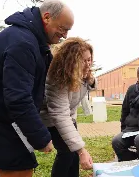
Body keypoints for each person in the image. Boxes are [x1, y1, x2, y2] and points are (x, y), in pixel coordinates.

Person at [0, 0, 74, 177]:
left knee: (1, 165)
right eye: (63, 28)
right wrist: (41, 138)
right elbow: (19, 98)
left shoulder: (30, 41)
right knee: (19, 165)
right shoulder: (23, 44)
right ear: (46, 18)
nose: (65, 35)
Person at [40, 37, 96, 177]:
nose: (88, 63)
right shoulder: (57, 78)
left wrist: (91, 80)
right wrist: (82, 151)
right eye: (83, 60)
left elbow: (90, 87)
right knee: (66, 152)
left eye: (89, 59)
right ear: (71, 60)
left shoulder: (82, 73)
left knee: (74, 155)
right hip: (52, 119)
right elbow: (59, 115)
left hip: (69, 116)